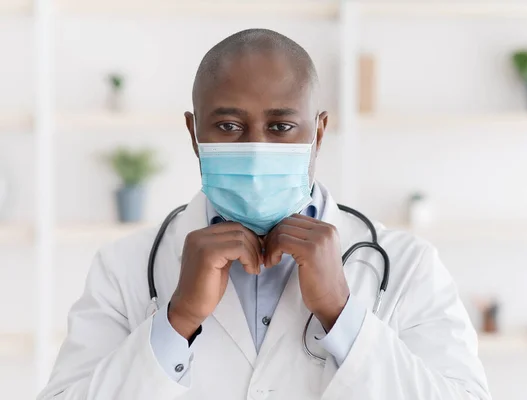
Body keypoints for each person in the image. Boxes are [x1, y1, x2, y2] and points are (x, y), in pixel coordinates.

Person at [38, 29, 491, 400]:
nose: (257, 150)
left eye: (280, 127)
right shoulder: (124, 268)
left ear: (319, 131)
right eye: (230, 126)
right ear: (194, 134)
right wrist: (176, 322)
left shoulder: (408, 265)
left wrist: (343, 314)